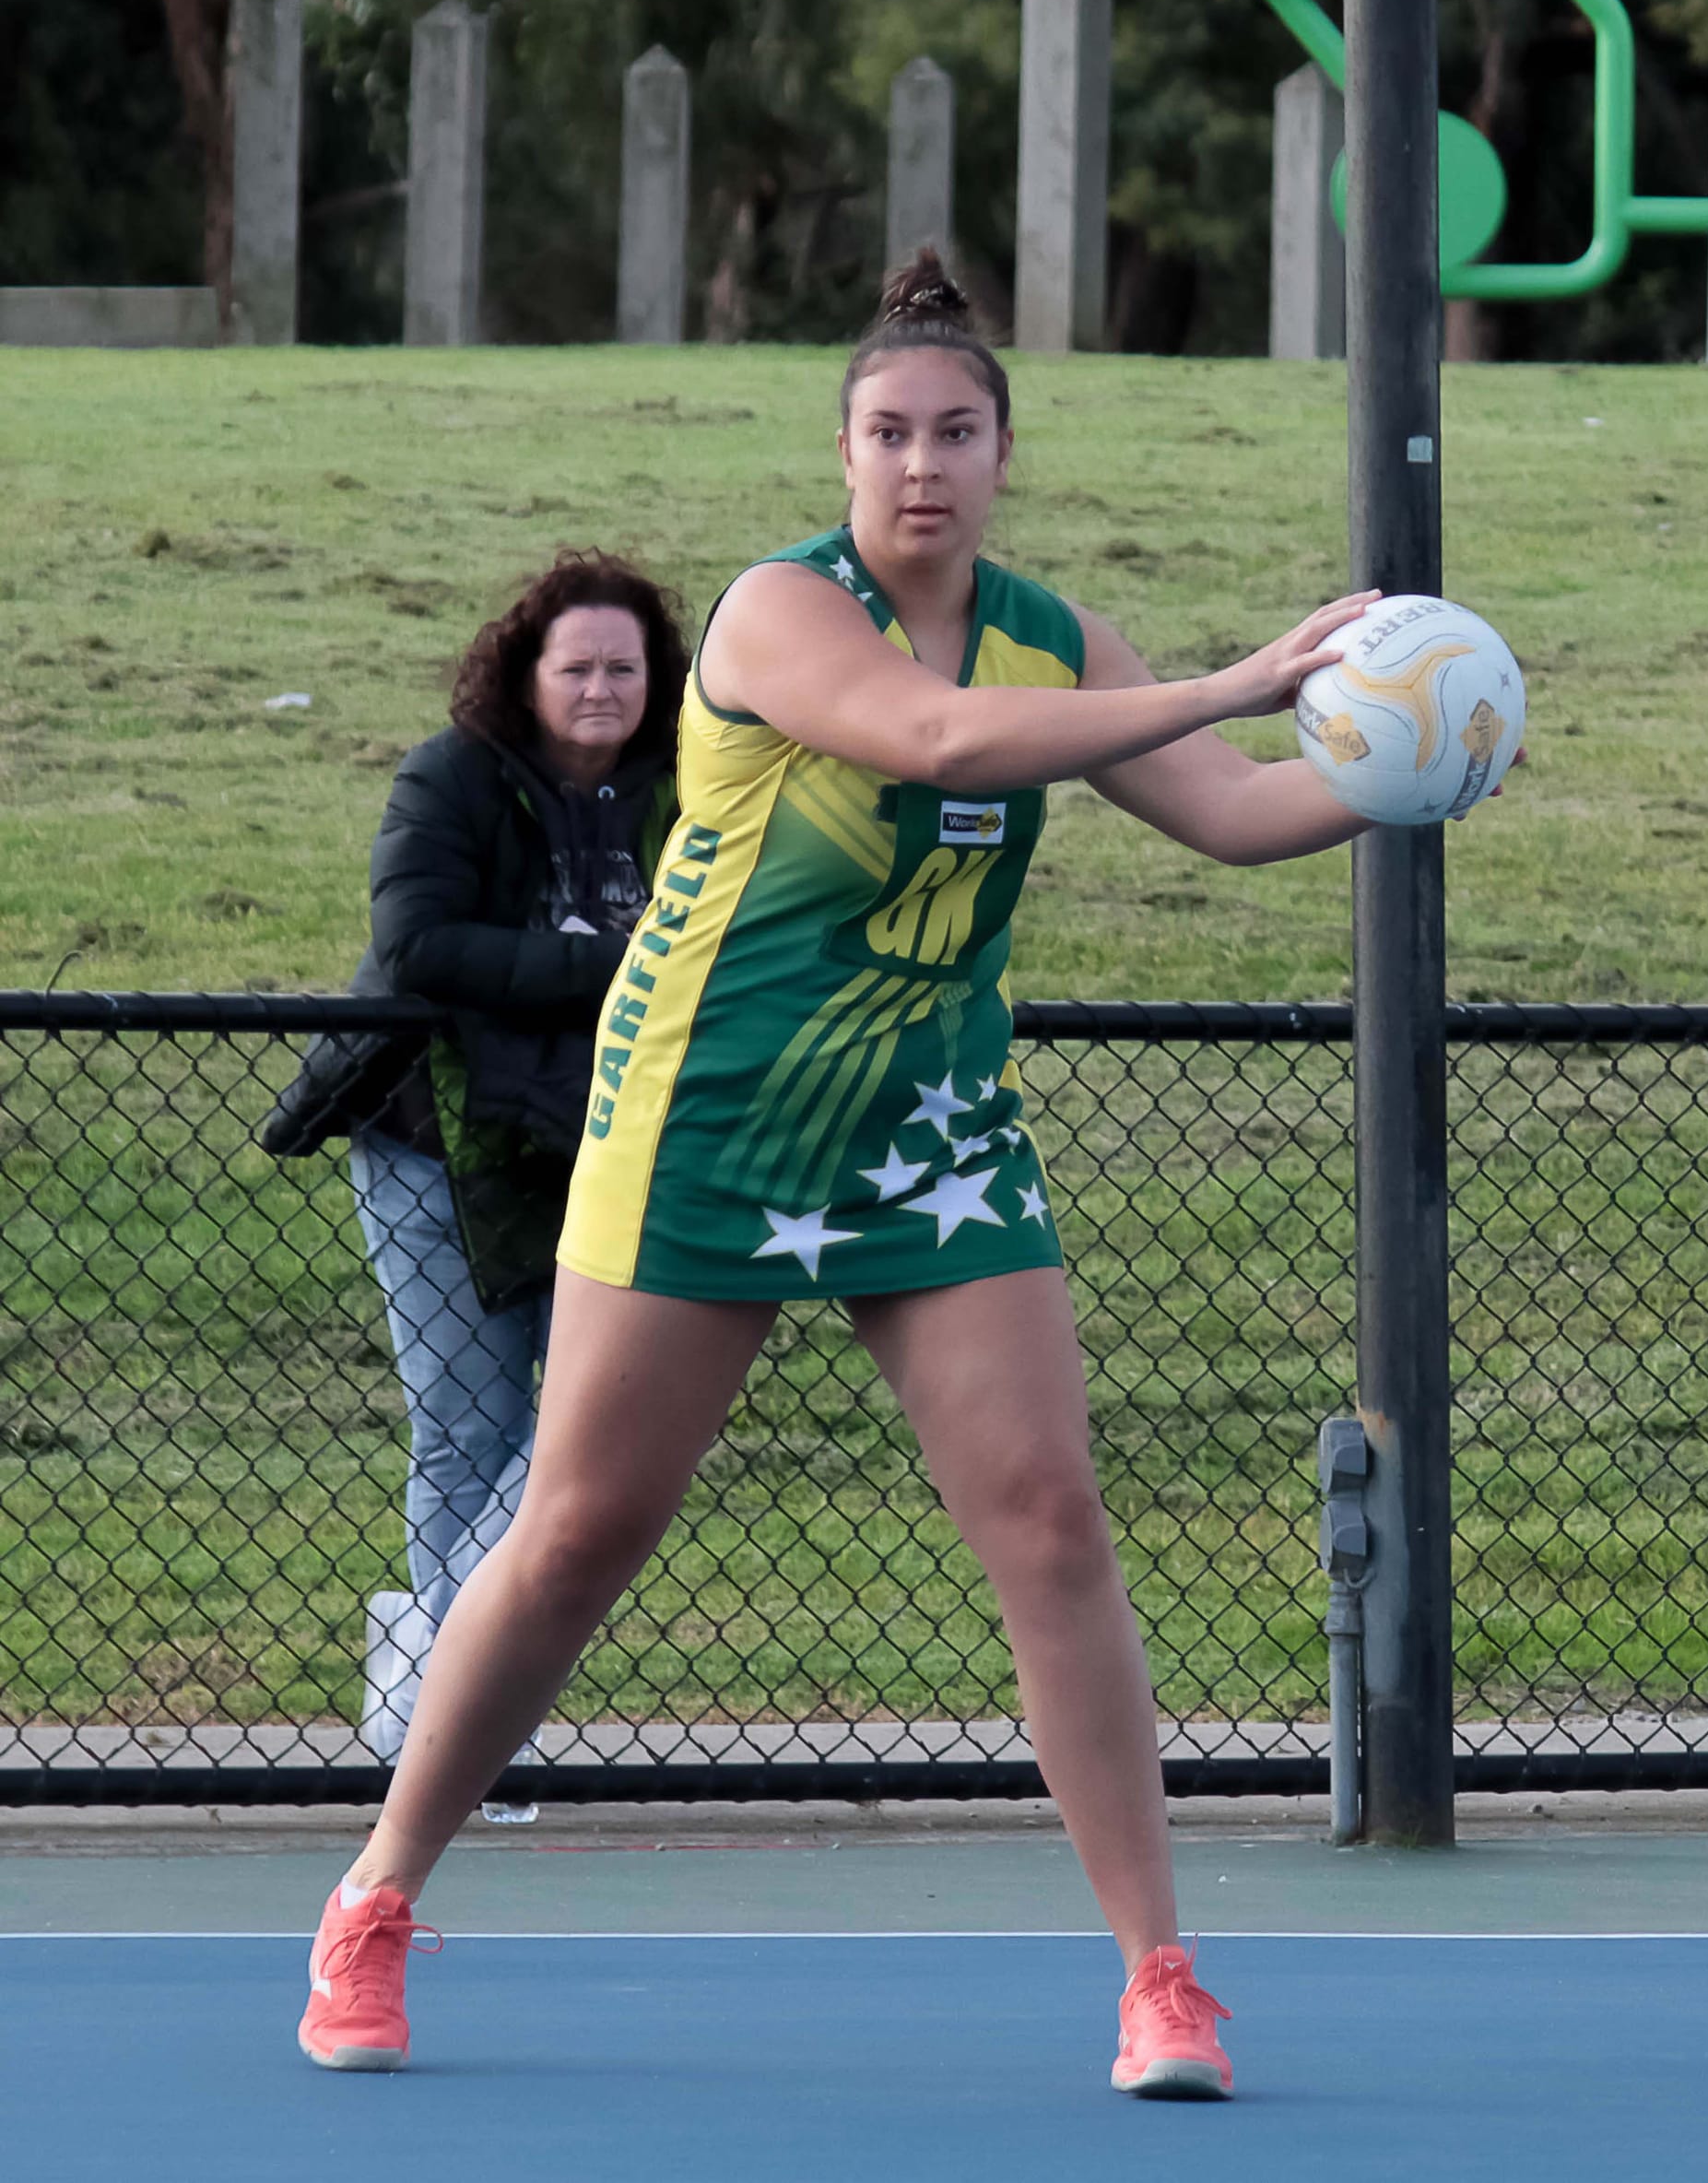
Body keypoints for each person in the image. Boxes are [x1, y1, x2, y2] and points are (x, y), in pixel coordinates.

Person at [294, 254, 1467, 2093]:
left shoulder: (1048, 633)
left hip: (923, 1120)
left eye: (958, 432)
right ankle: (374, 1900)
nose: (923, 463)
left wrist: (1410, 765)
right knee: (579, 1531)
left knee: (1051, 1522)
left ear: (1004, 453)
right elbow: (934, 743)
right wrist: (1241, 676)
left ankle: (1158, 1977)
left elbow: (1235, 811)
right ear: (842, 452)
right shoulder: (778, 615)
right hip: (711, 1108)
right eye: (889, 432)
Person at [261, 549, 685, 1801]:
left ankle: (436, 1691)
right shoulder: (450, 776)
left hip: (617, 1148)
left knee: (581, 1435)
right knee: (469, 1430)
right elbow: (419, 942)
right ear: (529, 673)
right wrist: (615, 967)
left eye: (625, 666)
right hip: (439, 1145)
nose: (603, 687)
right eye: (579, 666)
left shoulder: (689, 787)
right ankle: (461, 1734)